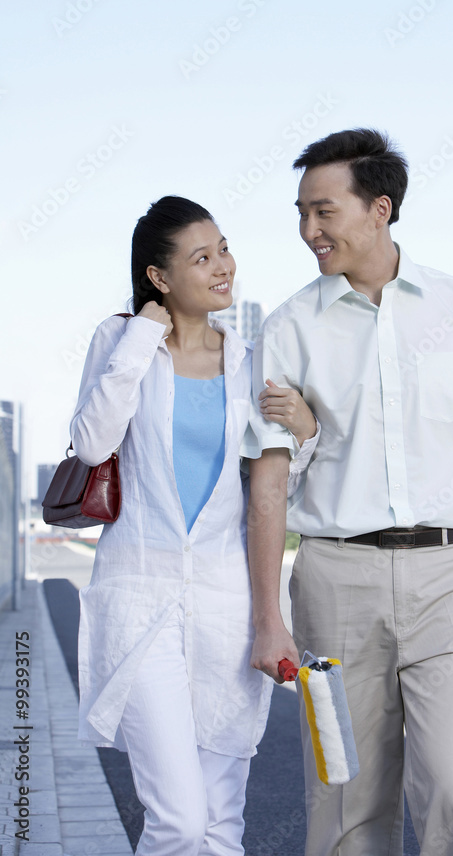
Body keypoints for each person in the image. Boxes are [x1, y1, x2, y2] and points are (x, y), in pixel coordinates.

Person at [244, 129, 453, 856]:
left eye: (324, 211)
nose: (309, 231)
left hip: (449, 580)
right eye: (301, 213)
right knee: (342, 792)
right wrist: (267, 617)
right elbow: (269, 484)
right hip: (334, 585)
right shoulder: (287, 328)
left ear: (379, 208)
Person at [71, 196, 318, 856]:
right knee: (178, 821)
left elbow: (279, 479)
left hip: (224, 608)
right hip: (140, 599)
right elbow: (93, 444)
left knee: (219, 823)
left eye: (224, 250)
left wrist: (306, 427)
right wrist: (142, 340)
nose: (223, 267)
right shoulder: (120, 341)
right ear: (159, 276)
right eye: (201, 257)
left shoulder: (250, 359)